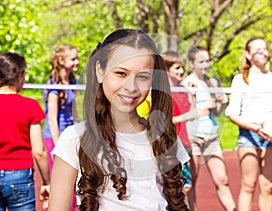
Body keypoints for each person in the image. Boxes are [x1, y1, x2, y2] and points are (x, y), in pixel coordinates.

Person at [48, 28, 190, 211]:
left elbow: (178, 202)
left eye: (143, 77)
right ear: (100, 71)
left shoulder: (164, 139)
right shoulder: (74, 139)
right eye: (121, 73)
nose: (131, 87)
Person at [225, 37, 272, 211]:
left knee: (268, 186)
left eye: (265, 49)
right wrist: (255, 128)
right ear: (247, 54)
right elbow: (232, 113)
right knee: (249, 185)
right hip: (249, 136)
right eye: (257, 49)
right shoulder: (240, 80)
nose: (262, 52)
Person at [181, 46, 236, 211]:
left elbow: (217, 112)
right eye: (201, 61)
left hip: (211, 135)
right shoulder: (185, 83)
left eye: (207, 61)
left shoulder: (212, 82)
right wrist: (197, 108)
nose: (206, 65)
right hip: (193, 136)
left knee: (222, 179)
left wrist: (222, 102)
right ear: (191, 64)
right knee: (191, 182)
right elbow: (184, 111)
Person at [0, 52, 50, 210]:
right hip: (20, 175)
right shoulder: (30, 106)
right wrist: (47, 182)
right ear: (20, 75)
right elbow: (39, 151)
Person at [161, 50, 210, 195]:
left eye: (182, 67)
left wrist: (194, 97)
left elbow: (191, 113)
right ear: (166, 69)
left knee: (186, 186)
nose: (182, 71)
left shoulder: (183, 89)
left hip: (183, 144)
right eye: (177, 68)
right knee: (170, 188)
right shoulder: (162, 91)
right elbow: (166, 121)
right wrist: (189, 115)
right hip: (168, 146)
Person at [43, 43, 79, 174]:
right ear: (61, 61)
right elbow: (52, 118)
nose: (77, 62)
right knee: (60, 176)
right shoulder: (54, 84)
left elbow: (74, 113)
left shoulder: (72, 82)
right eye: (73, 59)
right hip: (55, 136)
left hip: (69, 134)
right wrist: (57, 145)